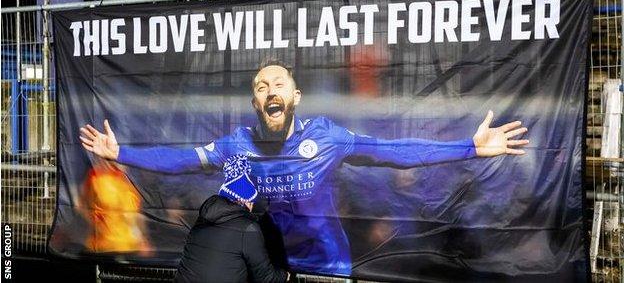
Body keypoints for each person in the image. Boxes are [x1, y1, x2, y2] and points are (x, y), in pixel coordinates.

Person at [79, 60, 529, 276]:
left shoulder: (327, 137)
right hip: (269, 268)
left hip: (327, 267)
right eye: (260, 86)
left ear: (294, 97)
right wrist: (122, 155)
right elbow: (183, 161)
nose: (269, 89)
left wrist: (470, 148)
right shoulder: (239, 145)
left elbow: (395, 150)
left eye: (278, 83)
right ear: (255, 102)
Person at [175, 155, 290, 283]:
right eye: (251, 202)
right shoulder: (247, 228)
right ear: (245, 202)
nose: (252, 207)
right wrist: (286, 276)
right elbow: (266, 278)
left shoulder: (203, 218)